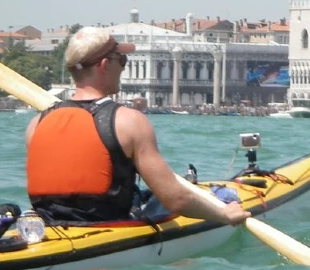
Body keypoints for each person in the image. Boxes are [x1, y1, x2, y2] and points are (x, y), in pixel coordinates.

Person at [24, 26, 249, 226]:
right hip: (109, 226)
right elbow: (175, 199)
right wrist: (224, 215)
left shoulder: (36, 124)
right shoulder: (128, 121)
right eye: (121, 60)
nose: (123, 67)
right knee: (222, 199)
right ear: (105, 65)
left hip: (49, 226)